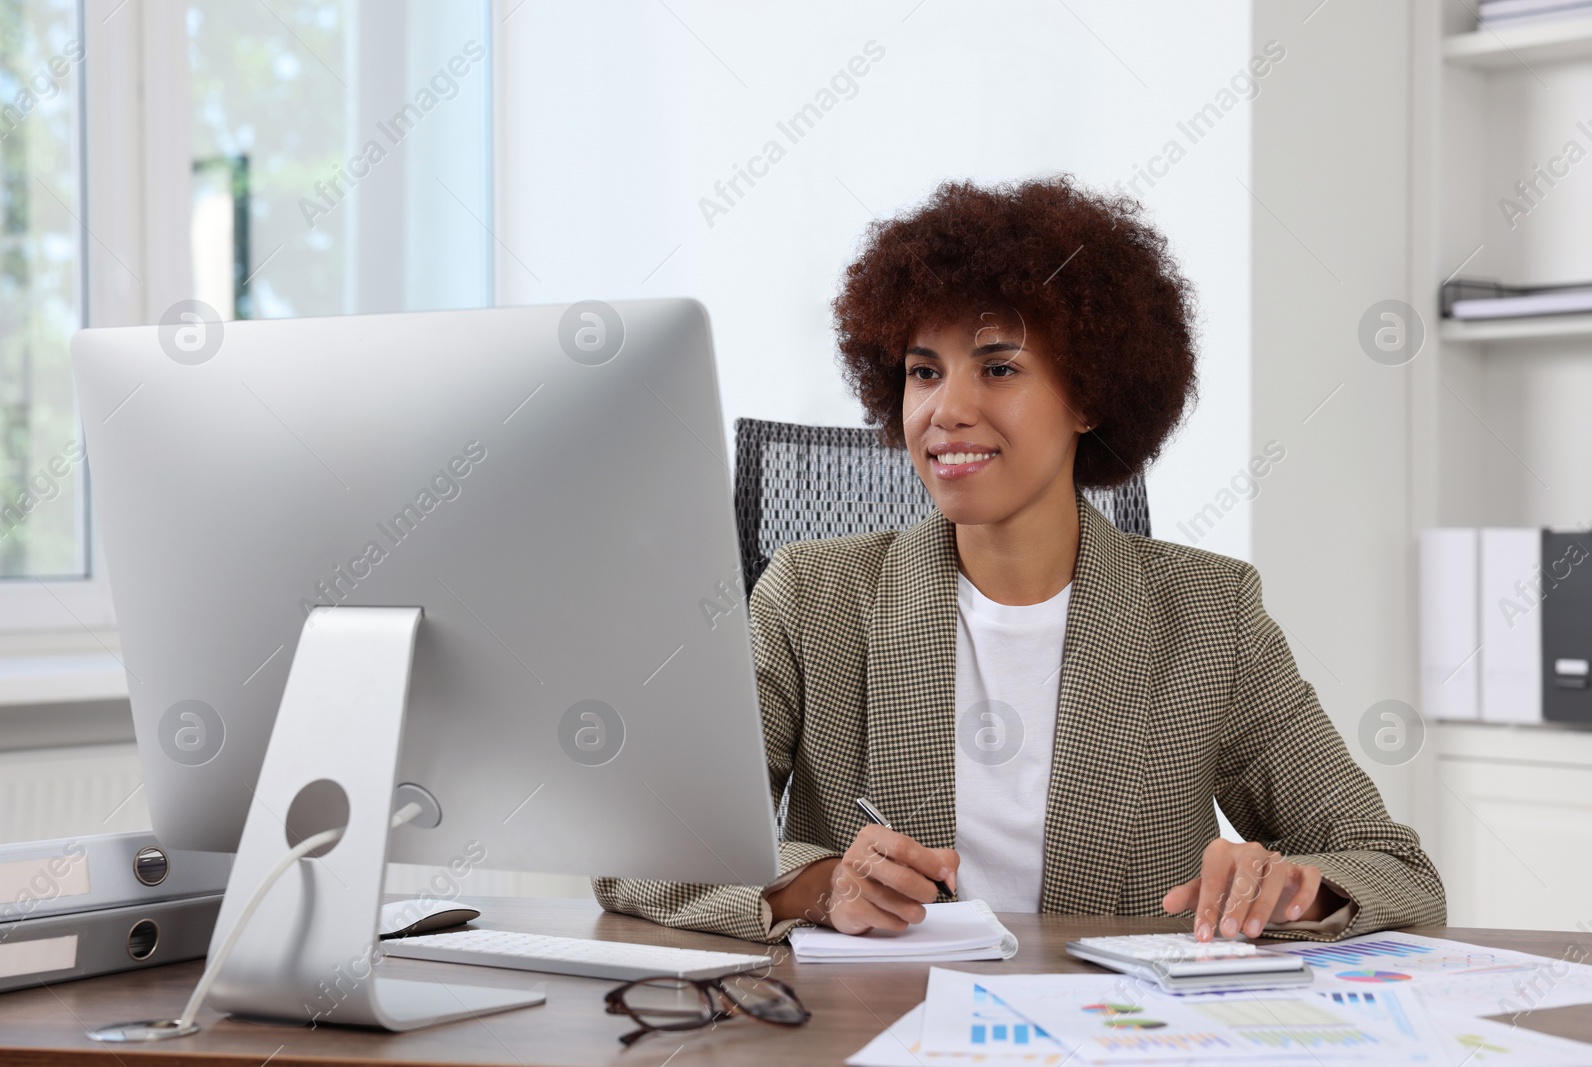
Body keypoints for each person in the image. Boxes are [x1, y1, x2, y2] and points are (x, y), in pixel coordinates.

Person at [594, 176, 1444, 944]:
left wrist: (1296, 886)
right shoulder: (812, 597)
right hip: (869, 1028)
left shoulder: (1209, 614)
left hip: (1113, 1035)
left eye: (998, 367)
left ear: (1088, 398)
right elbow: (642, 850)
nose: (946, 409)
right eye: (924, 371)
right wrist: (815, 888)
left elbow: (1394, 866)